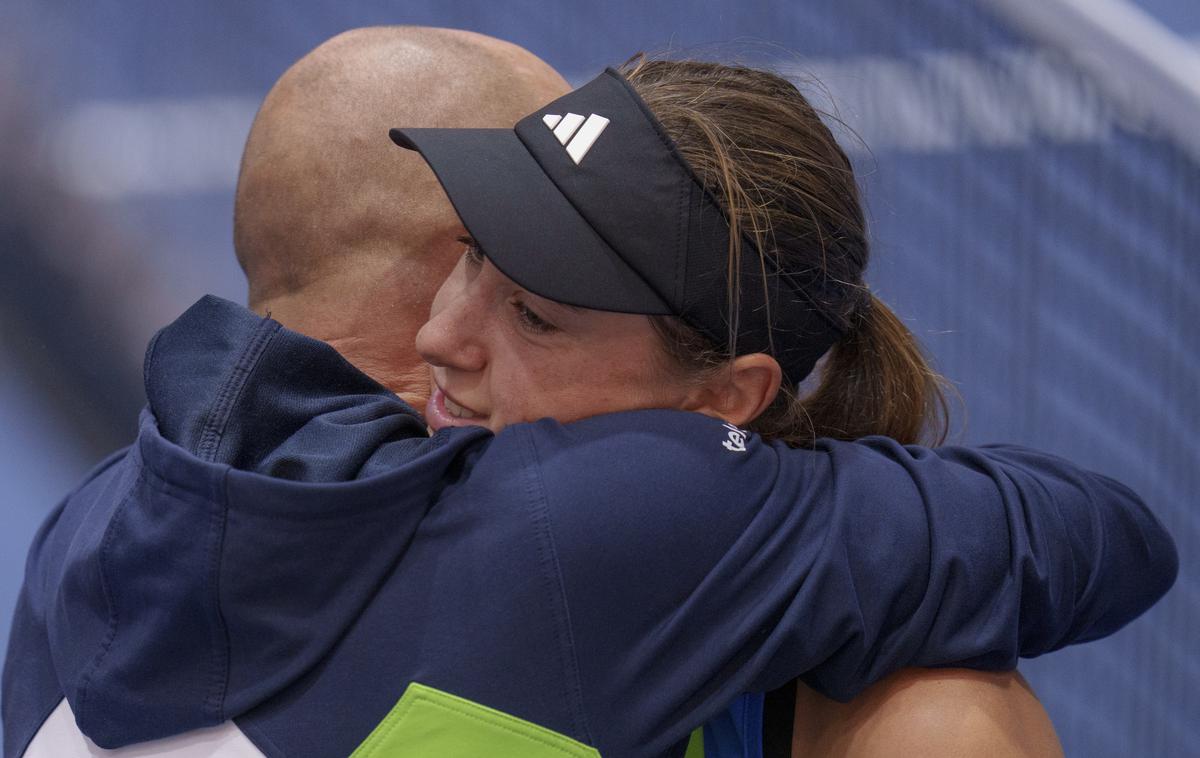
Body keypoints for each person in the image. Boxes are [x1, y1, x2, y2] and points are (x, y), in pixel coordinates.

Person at [2, 29, 1176, 758]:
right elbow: (1095, 534)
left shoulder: (94, 525)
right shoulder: (600, 525)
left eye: (533, 309)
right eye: (472, 261)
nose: (443, 331)